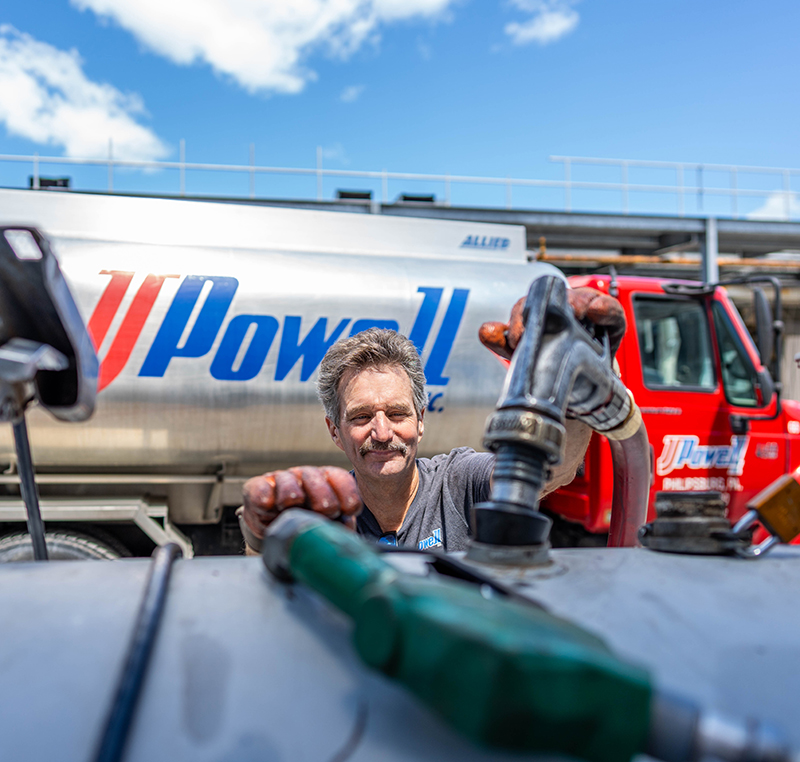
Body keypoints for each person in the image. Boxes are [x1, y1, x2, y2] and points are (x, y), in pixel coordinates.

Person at [239, 287, 628, 554]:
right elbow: (267, 593)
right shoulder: (327, 510)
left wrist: (579, 382)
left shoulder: (458, 484)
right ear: (335, 432)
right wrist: (261, 537)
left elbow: (549, 471)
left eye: (396, 413)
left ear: (421, 421)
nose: (381, 432)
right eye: (360, 416)